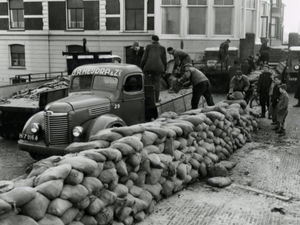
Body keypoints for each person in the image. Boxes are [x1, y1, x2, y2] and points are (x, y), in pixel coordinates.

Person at [141, 35, 167, 103]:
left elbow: (144, 58)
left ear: (152, 40)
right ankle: (156, 99)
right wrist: (165, 69)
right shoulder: (162, 48)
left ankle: (148, 99)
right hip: (159, 69)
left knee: (148, 83)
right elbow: (164, 60)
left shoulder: (148, 47)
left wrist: (141, 66)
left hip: (148, 68)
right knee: (157, 84)